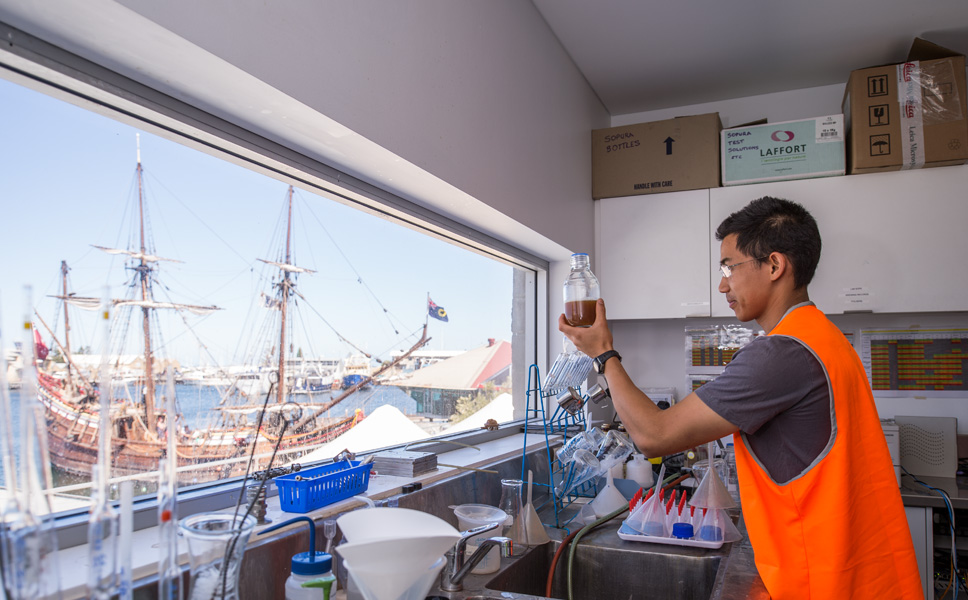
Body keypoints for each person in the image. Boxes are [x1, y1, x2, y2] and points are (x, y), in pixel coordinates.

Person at [559, 196, 922, 600]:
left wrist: (603, 353)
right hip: (863, 574)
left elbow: (654, 435)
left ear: (774, 265)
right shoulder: (825, 340)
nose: (722, 283)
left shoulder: (781, 354)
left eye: (730, 266)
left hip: (820, 582)